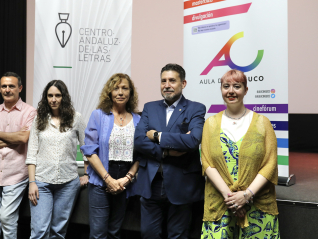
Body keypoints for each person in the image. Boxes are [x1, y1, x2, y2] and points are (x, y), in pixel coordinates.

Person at [200, 69, 280, 238]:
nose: (231, 91)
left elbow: (270, 163)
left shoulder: (262, 123)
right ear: (221, 89)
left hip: (258, 205)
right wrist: (232, 199)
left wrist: (246, 195)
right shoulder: (210, 124)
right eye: (226, 86)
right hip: (220, 205)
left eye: (237, 86)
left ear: (246, 90)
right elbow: (207, 162)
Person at [134, 63, 206, 239]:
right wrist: (166, 152)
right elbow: (138, 141)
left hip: (181, 183)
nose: (167, 85)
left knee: (178, 235)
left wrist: (157, 136)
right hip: (151, 183)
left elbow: (192, 141)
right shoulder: (150, 108)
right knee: (148, 234)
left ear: (183, 83)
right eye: (163, 81)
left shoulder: (196, 108)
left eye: (172, 80)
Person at [81, 73, 141, 239]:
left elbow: (141, 155)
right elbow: (90, 151)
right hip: (101, 181)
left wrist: (126, 179)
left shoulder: (138, 119)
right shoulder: (98, 115)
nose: (120, 92)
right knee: (98, 234)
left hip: (124, 183)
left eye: (124, 88)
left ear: (131, 93)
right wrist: (108, 180)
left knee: (115, 232)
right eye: (116, 88)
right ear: (109, 92)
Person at [26, 80, 88, 238]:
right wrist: (32, 182)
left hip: (68, 183)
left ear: (64, 97)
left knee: (58, 231)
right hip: (41, 182)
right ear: (46, 98)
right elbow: (32, 153)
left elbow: (85, 148)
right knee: (39, 231)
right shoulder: (39, 119)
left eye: (57, 95)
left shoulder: (76, 118)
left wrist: (85, 174)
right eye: (50, 95)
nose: (53, 99)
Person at [0, 72, 37, 239]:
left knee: (7, 218)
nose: (7, 89)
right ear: (0, 89)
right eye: (4, 86)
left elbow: (23, 138)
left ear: (20, 88)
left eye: (11, 86)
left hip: (16, 174)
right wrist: (10, 139)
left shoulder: (30, 112)